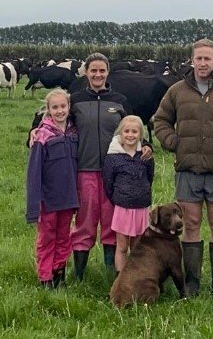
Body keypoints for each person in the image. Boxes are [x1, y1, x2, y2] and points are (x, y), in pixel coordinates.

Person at [153, 38, 213, 295]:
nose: (203, 63)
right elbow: (161, 120)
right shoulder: (177, 90)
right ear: (192, 60)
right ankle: (192, 282)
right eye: (199, 58)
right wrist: (173, 142)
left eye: (208, 58)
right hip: (188, 169)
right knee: (191, 224)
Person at [69, 53, 151, 281]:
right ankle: (79, 276)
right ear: (86, 72)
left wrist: (146, 145)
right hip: (84, 170)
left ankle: (111, 276)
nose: (97, 75)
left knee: (111, 223)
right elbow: (52, 120)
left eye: (102, 71)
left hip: (117, 173)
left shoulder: (120, 100)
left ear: (107, 72)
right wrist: (34, 131)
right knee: (85, 222)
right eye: (93, 70)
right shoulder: (74, 100)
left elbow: (133, 128)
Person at [25, 88, 79, 288]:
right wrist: (34, 201)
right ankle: (45, 277)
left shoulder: (74, 132)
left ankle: (59, 273)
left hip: (68, 196)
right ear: (47, 110)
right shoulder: (42, 136)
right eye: (54, 107)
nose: (59, 111)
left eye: (63, 106)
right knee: (47, 237)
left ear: (69, 107)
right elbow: (34, 172)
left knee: (64, 236)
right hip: (48, 198)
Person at [102, 115, 156, 274]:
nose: (130, 135)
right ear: (120, 133)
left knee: (138, 246)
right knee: (122, 246)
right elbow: (108, 182)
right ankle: (121, 277)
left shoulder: (145, 156)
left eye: (134, 132)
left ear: (140, 134)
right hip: (122, 208)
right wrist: (120, 197)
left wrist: (142, 192)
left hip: (141, 208)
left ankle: (136, 276)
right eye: (126, 131)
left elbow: (150, 177)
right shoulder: (113, 157)